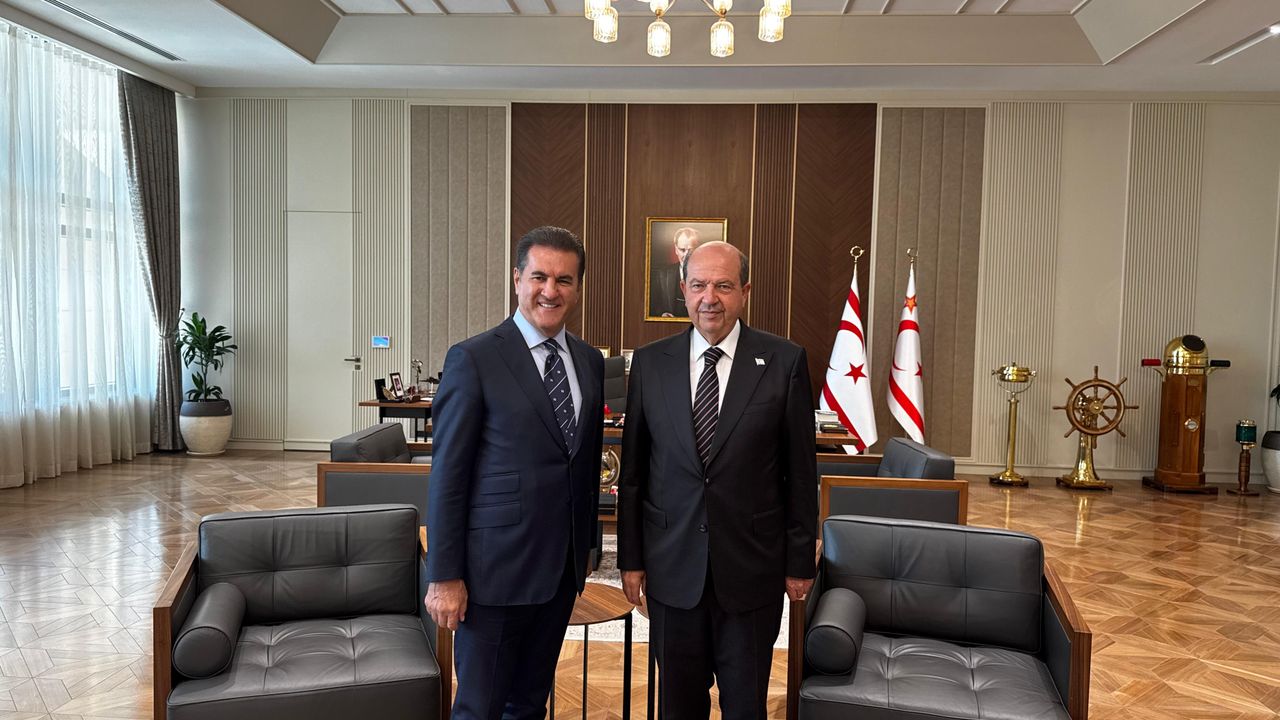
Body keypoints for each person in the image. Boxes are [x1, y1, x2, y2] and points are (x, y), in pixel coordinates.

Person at [618, 241, 817, 720]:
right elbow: (634, 474)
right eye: (699, 285)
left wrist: (798, 562)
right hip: (672, 570)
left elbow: (799, 472)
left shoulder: (784, 361)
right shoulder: (650, 362)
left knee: (745, 706)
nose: (710, 298)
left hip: (752, 570)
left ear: (745, 291)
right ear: (683, 290)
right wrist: (631, 559)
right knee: (678, 706)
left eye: (724, 286)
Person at [425, 226, 605, 720]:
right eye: (539, 277)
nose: (551, 291)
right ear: (517, 279)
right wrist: (444, 576)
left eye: (564, 280)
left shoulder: (590, 362)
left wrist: (587, 550)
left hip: (561, 573)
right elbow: (448, 478)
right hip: (493, 576)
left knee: (528, 705)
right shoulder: (474, 358)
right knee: (480, 708)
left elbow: (585, 465)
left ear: (578, 287)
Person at [649, 226, 701, 318]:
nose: (686, 255)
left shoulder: (709, 275)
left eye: (690, 250)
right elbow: (652, 307)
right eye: (682, 250)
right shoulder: (662, 275)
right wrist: (662, 315)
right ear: (676, 249)